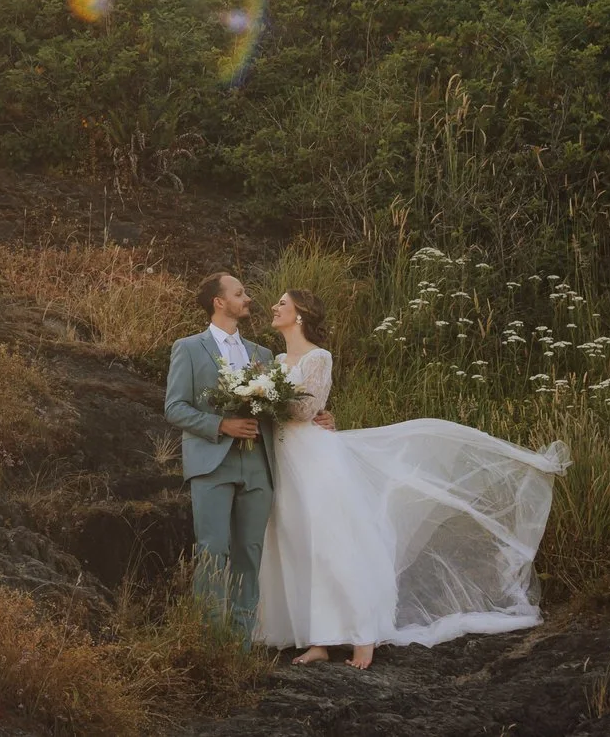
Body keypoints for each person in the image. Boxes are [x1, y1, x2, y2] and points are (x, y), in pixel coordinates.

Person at [253, 288, 569, 667]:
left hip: (315, 460)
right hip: (286, 460)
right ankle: (319, 640)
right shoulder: (274, 361)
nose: (275, 307)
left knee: (331, 546)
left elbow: (306, 408)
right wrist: (258, 390)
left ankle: (363, 636)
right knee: (298, 544)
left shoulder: (319, 357)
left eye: (283, 303)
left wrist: (265, 391)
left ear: (300, 313)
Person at [162, 272, 284, 635]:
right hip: (212, 462)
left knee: (250, 552)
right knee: (212, 551)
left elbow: (280, 408)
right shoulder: (187, 347)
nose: (247, 299)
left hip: (259, 465)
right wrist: (222, 426)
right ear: (219, 302)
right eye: (240, 293)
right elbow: (175, 407)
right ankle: (210, 641)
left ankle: (243, 642)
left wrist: (318, 416)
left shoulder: (264, 355)